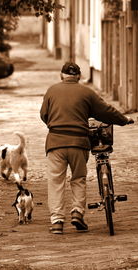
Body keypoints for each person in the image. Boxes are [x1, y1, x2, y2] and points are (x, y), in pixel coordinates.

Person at [40, 62, 134, 234]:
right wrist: (123, 120)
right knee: (78, 178)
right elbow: (105, 111)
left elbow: (44, 115)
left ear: (61, 75)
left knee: (55, 181)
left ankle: (57, 222)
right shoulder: (86, 92)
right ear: (78, 76)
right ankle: (77, 213)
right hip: (78, 143)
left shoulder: (51, 91)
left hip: (55, 143)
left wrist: (56, 125)